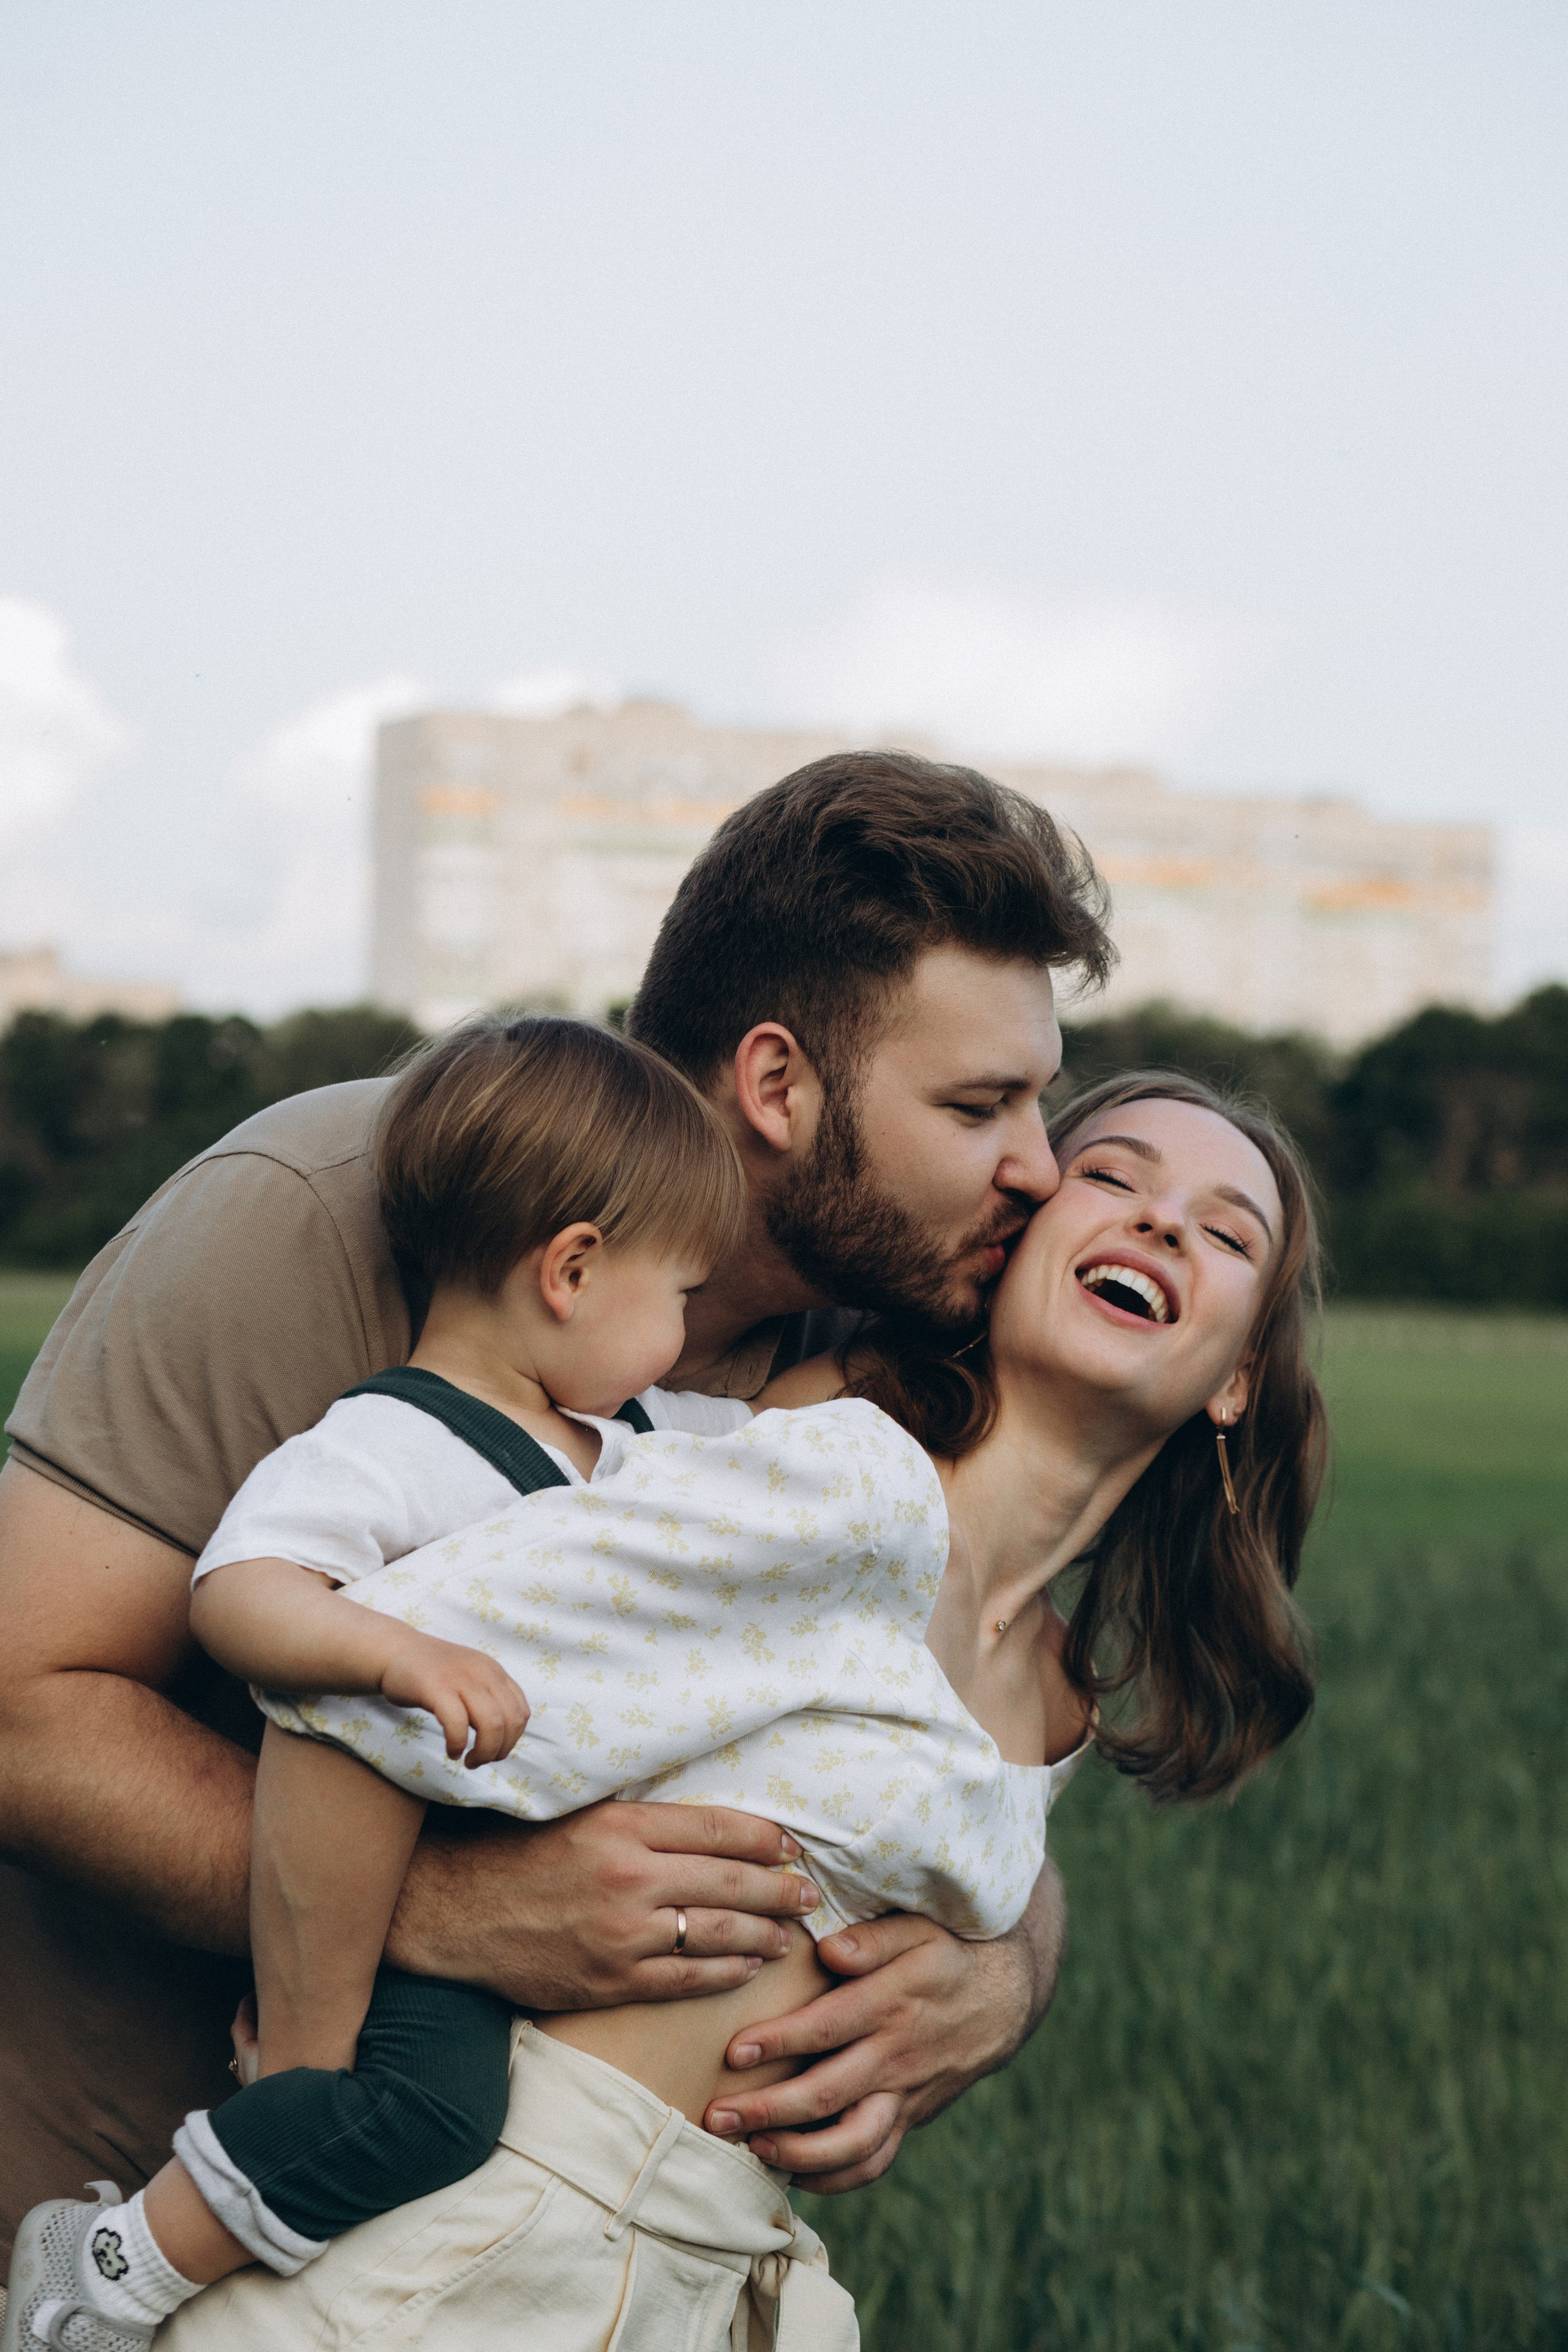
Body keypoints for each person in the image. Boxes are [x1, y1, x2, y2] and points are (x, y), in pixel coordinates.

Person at [0, 750, 1113, 2280]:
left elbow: (951, 1743)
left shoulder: (860, 1387)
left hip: (481, 2285)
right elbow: (22, 1708)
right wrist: (440, 1910)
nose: (1036, 1168)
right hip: (93, 2216)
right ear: (776, 1085)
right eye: (978, 1104)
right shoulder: (328, 1209)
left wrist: (1004, 1971)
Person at [121, 1067, 1323, 2352]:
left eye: (1223, 1229)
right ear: (1007, 1250)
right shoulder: (844, 1482)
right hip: (446, 2257)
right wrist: (312, 2056)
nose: (1159, 1223)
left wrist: (1000, 1977)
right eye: (1111, 1177)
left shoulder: (1057, 1700)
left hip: (703, 2290)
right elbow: (366, 1681)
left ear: (1236, 1379)